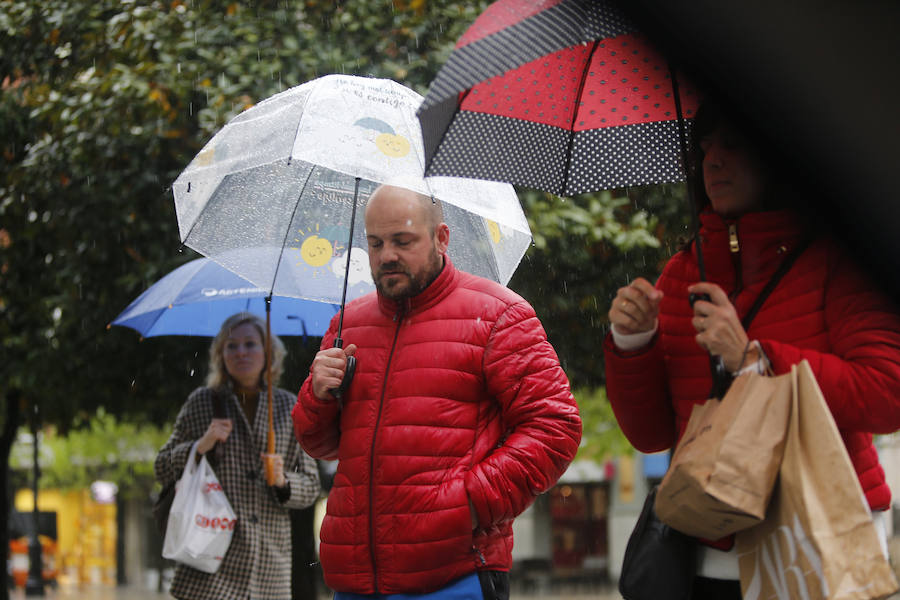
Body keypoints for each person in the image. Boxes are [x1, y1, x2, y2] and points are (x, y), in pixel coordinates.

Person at [604, 101, 900, 599]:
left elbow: (887, 395)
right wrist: (633, 343)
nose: (711, 161)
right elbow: (652, 436)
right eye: (704, 148)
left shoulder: (837, 260)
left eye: (733, 144)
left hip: (820, 539)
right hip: (707, 549)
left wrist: (754, 359)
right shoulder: (682, 273)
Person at [292, 183, 582, 599]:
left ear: (442, 238)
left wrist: (469, 504)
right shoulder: (346, 325)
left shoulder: (500, 315)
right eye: (375, 243)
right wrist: (316, 396)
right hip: (354, 578)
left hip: (455, 576)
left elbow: (555, 427)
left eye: (403, 240)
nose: (387, 254)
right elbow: (318, 443)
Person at [155, 312, 321, 600]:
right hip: (209, 563)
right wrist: (200, 446)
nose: (241, 352)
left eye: (250, 344)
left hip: (268, 566)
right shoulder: (202, 402)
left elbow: (311, 486)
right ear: (221, 354)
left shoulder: (286, 407)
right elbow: (161, 467)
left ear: (268, 353)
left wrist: (283, 482)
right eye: (231, 346)